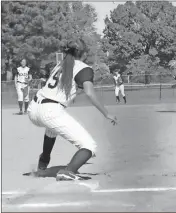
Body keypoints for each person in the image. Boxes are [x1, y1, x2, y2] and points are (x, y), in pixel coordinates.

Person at [27, 37, 117, 181]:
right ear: (83, 53)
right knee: (89, 146)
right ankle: (68, 171)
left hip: (34, 108)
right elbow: (89, 92)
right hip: (50, 110)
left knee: (51, 129)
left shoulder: (61, 64)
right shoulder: (83, 68)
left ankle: (43, 165)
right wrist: (106, 114)